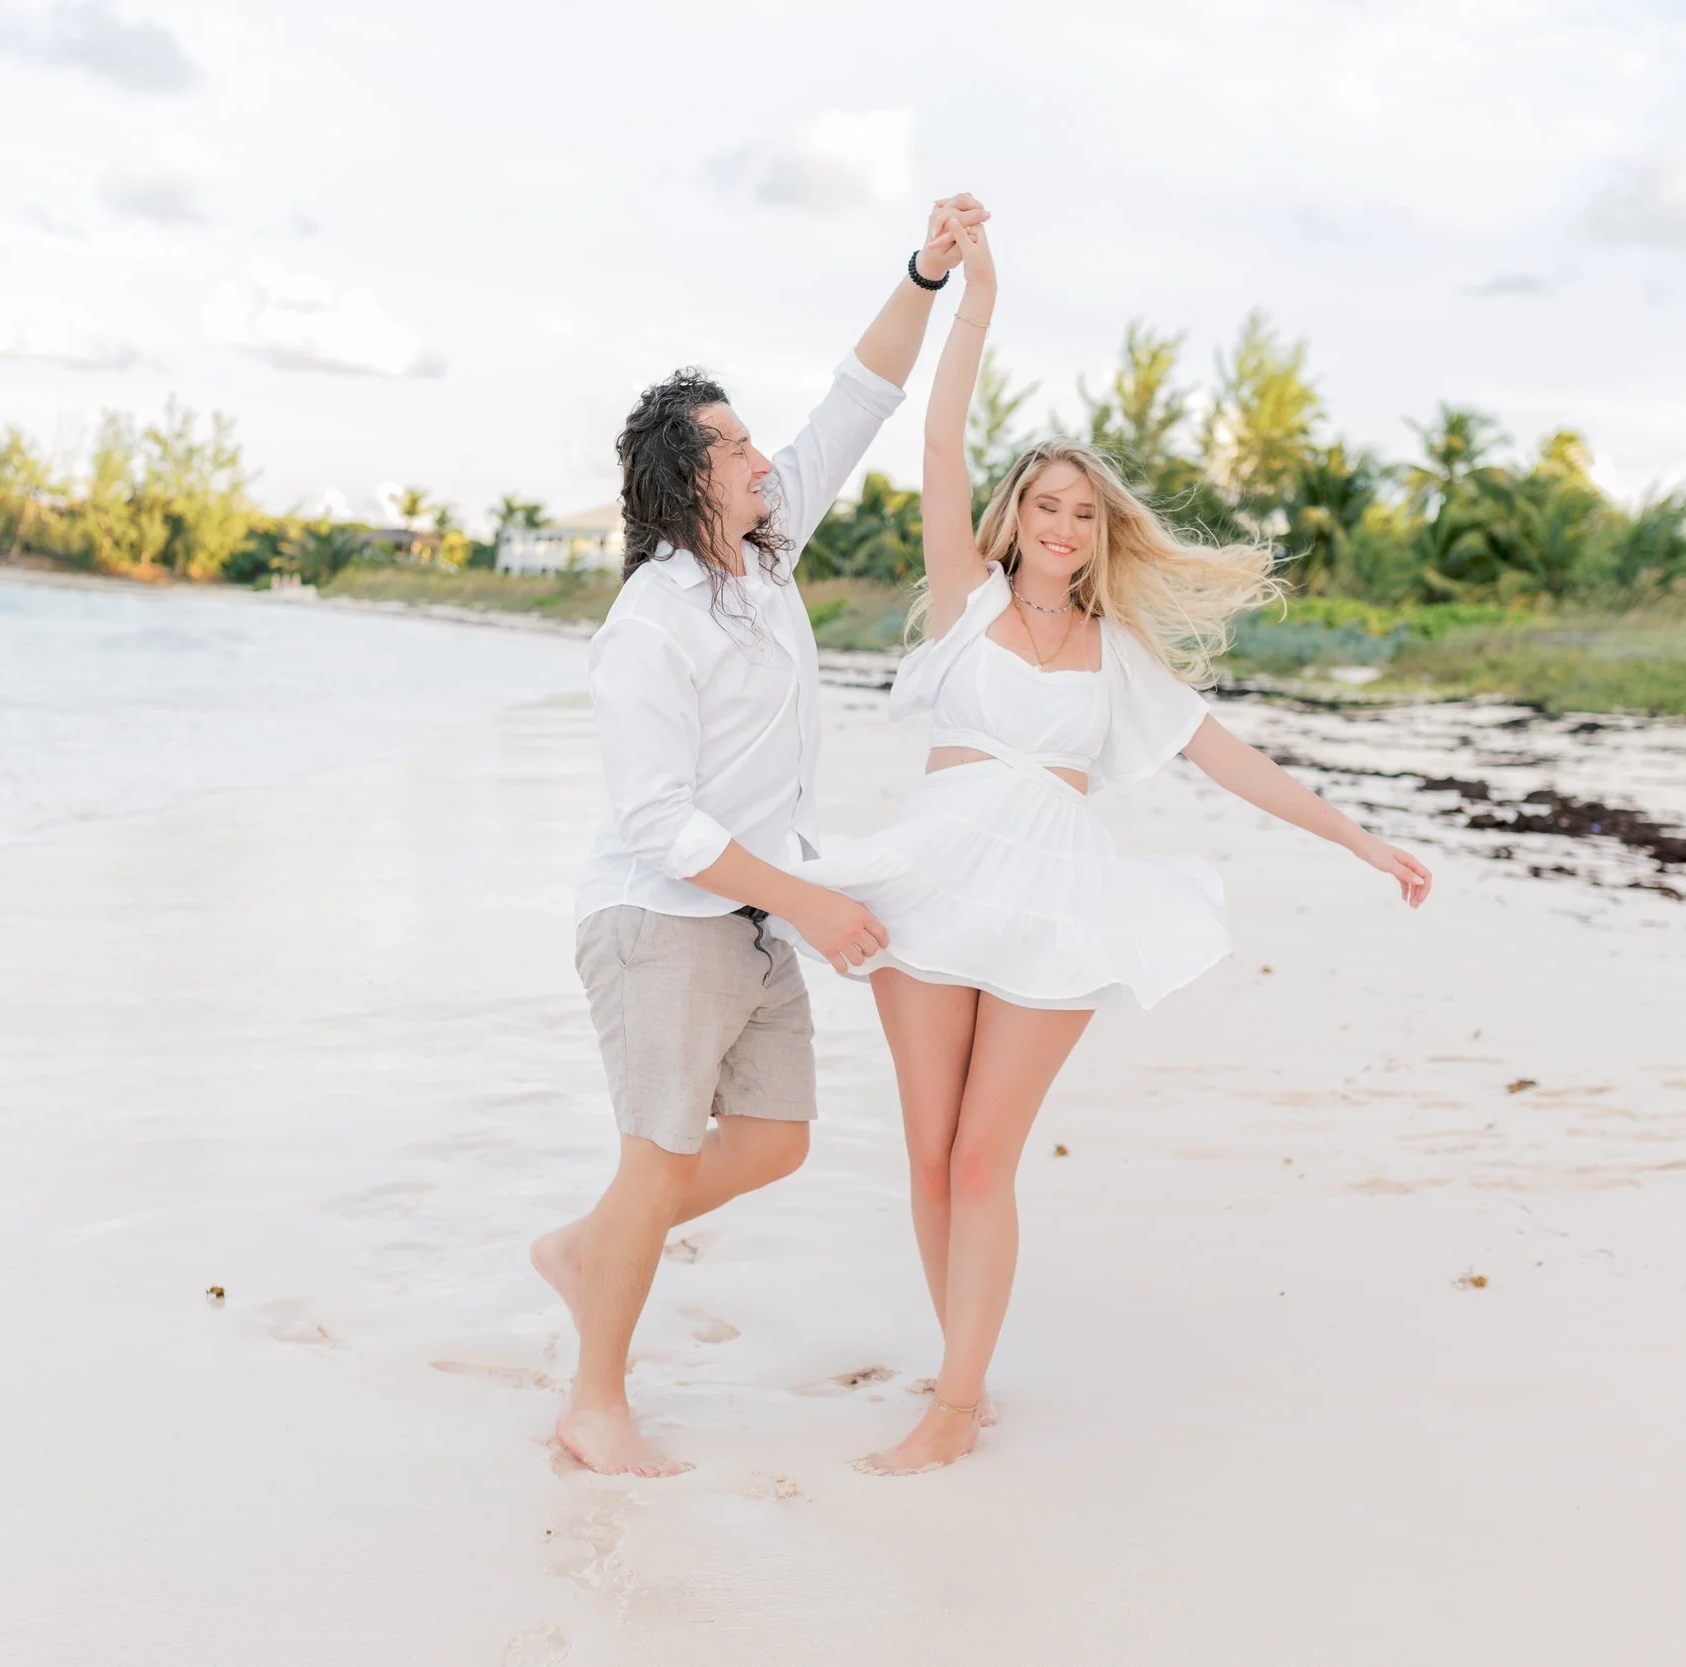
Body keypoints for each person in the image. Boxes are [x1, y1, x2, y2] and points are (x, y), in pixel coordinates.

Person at [789, 214, 1435, 1476]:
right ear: (1015, 513)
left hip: (1050, 904)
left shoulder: (1117, 659)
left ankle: (955, 1404)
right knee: (929, 1156)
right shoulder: (965, 601)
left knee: (985, 1155)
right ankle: (957, 1365)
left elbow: (1229, 759)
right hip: (929, 886)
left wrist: (1360, 838)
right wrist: (971, 293)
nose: (1063, 525)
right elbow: (938, 432)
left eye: (1084, 512)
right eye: (1046, 503)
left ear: (1101, 530)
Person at [531, 196, 989, 1477]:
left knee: (774, 1143)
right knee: (658, 1155)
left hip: (751, 914)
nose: (758, 458)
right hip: (661, 921)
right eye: (733, 445)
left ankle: (589, 1247)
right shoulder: (651, 622)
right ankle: (595, 1404)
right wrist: (810, 900)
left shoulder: (765, 566)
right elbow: (659, 823)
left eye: (746, 441)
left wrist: (926, 273)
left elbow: (858, 399)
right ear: (687, 477)